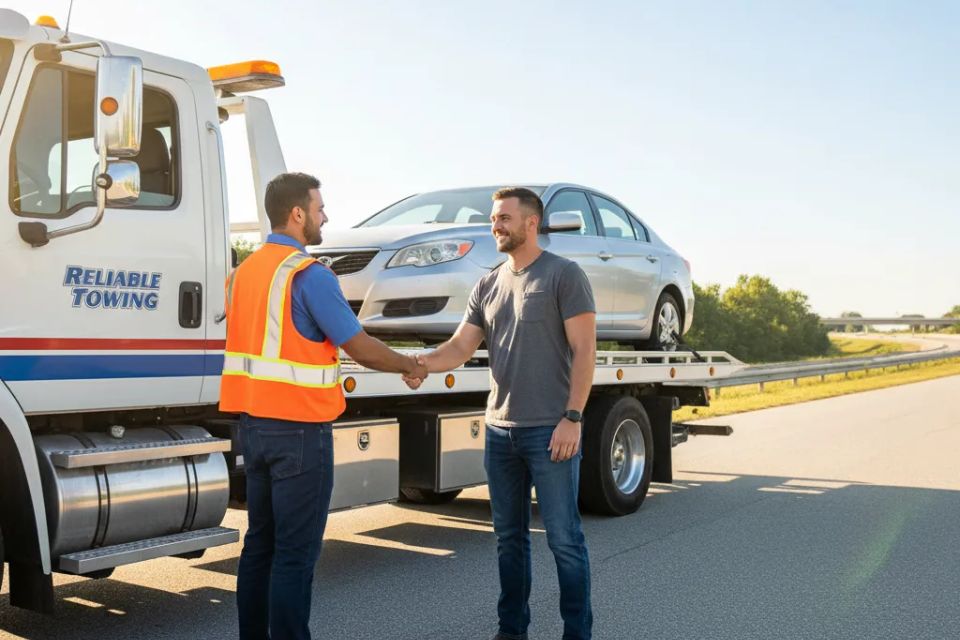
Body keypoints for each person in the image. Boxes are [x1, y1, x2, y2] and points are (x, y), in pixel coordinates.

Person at [220, 172, 428, 640]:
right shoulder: (308, 274)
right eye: (319, 208)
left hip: (253, 427)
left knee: (259, 547)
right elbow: (358, 345)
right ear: (297, 214)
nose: (325, 217)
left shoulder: (242, 274)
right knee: (295, 555)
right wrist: (408, 364)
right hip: (299, 431)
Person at [405, 187, 596, 640]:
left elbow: (585, 349)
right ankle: (511, 631)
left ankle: (577, 632)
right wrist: (419, 365)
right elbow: (459, 347)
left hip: (550, 430)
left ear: (532, 223)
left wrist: (573, 416)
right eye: (494, 218)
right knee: (509, 542)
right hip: (500, 432)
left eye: (505, 217)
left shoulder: (564, 276)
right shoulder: (488, 283)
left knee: (564, 540)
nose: (496, 225)